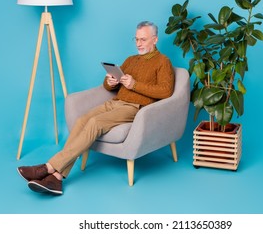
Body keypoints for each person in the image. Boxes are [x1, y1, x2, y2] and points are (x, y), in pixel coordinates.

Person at [17, 21, 175, 195]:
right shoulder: (131, 60)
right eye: (136, 39)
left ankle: (48, 167)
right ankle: (56, 179)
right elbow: (109, 88)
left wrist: (135, 85)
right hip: (115, 102)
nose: (138, 43)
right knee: (82, 120)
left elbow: (166, 91)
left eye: (143, 40)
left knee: (95, 122)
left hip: (134, 107)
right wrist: (110, 81)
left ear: (155, 39)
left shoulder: (163, 62)